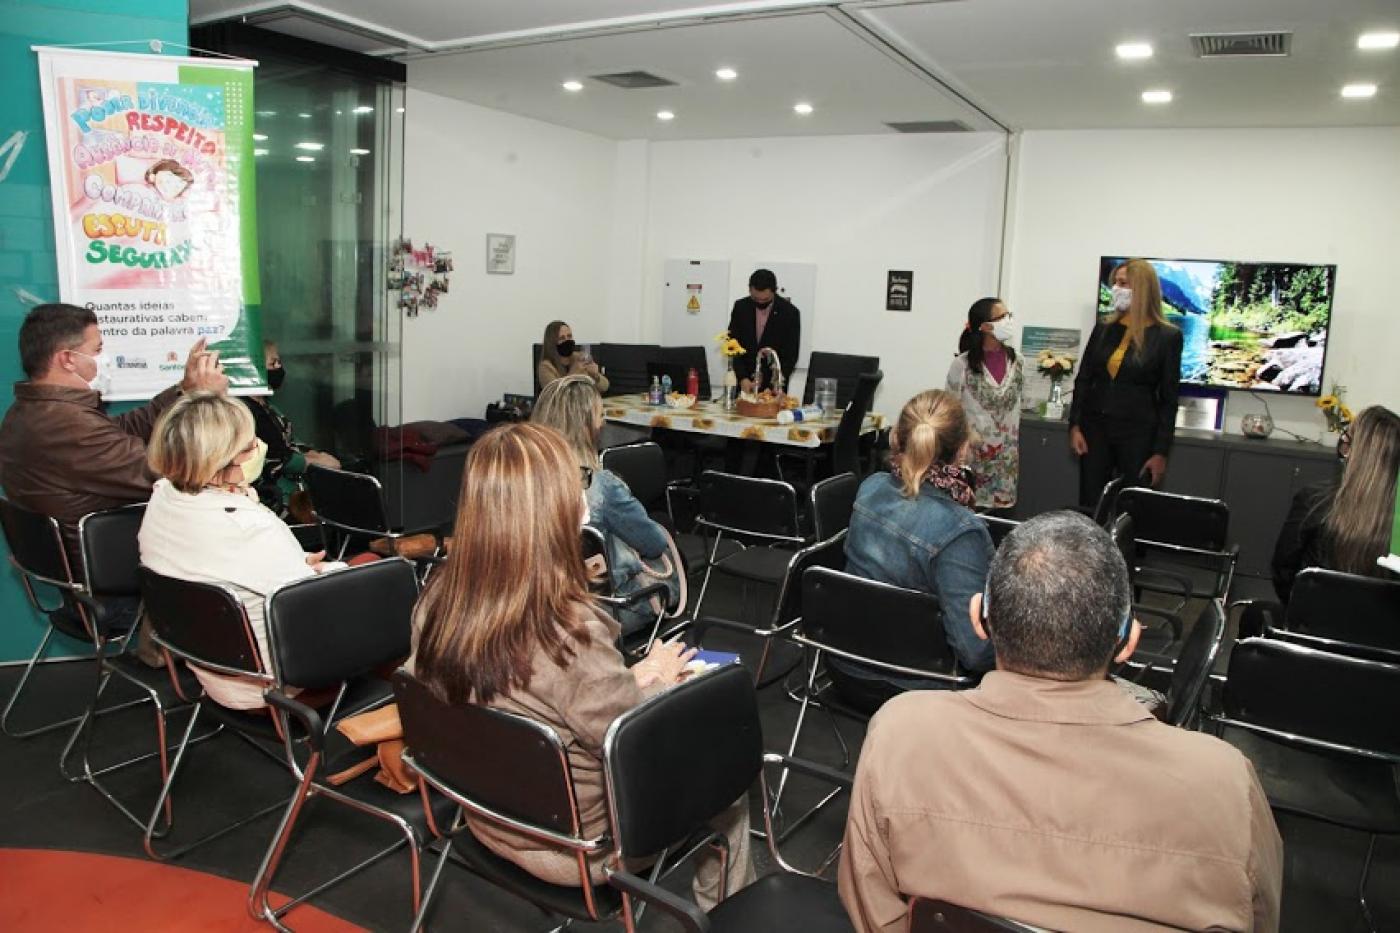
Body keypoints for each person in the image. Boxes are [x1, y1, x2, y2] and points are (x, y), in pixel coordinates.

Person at [839, 511, 1283, 932]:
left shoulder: (901, 735)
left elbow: (874, 912)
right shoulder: (1225, 786)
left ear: (979, 618)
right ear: (1128, 641)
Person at [409, 423, 752, 908]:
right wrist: (666, 687)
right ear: (552, 511)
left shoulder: (436, 600)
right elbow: (631, 743)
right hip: (580, 849)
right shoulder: (568, 632)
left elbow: (534, 700)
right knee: (729, 777)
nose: (584, 500)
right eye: (575, 488)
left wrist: (637, 676)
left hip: (481, 815)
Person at [138, 392, 340, 710]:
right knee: (392, 594)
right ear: (219, 463)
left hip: (211, 672)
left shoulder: (162, 499)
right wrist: (333, 571)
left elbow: (222, 564)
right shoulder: (248, 527)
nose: (259, 447)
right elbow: (307, 605)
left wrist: (296, 564)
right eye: (248, 446)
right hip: (278, 689)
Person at [0, 302, 228, 556]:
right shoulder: (66, 426)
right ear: (68, 359)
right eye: (97, 349)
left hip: (95, 551)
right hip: (116, 558)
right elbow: (170, 470)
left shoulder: (34, 412)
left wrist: (185, 391)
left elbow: (119, 432)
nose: (104, 358)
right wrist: (206, 402)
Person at [835, 390, 996, 708]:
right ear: (962, 450)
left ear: (897, 438)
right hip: (920, 693)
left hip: (844, 668)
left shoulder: (870, 489)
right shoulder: (961, 533)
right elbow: (975, 653)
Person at [531, 375, 681, 637]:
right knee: (666, 544)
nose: (604, 422)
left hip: (535, 614)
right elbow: (653, 544)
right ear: (586, 426)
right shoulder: (601, 486)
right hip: (601, 614)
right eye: (601, 415)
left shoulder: (516, 486)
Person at [1069, 259, 1183, 508]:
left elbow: (1169, 398)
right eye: (1115, 283)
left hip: (1138, 433)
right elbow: (1085, 378)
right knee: (1091, 502)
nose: (1116, 289)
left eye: (1124, 283)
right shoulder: (1103, 328)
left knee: (1133, 506)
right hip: (1095, 428)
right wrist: (1075, 425)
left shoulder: (1167, 336)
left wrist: (1160, 451)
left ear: (1142, 289)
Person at [1272, 404, 1400, 602]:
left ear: (1352, 452)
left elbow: (1283, 573)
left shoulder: (1313, 501)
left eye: (1346, 441)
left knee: (1252, 616)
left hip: (1310, 626)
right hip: (1382, 630)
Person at [241, 339, 339, 515]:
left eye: (279, 362)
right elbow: (279, 457)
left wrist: (316, 455)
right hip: (275, 497)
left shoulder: (266, 405)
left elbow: (289, 441)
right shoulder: (249, 412)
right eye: (273, 363)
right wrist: (316, 463)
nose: (279, 367)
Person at [946, 297, 1023, 510]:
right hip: (973, 459)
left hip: (1006, 461)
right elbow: (950, 411)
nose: (1008, 320)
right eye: (1002, 316)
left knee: (1000, 522)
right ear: (985, 326)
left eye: (1009, 315)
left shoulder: (1019, 362)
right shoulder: (961, 365)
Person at [727, 268, 800, 393]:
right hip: (745, 384)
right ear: (749, 289)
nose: (760, 302)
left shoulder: (790, 313)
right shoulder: (740, 307)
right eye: (756, 299)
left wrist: (775, 384)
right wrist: (742, 378)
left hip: (774, 388)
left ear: (774, 291)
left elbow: (791, 355)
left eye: (765, 300)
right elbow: (733, 345)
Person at [537, 320, 608, 394]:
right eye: (562, 338)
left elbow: (605, 387)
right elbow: (555, 395)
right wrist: (573, 374)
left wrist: (595, 376)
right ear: (552, 343)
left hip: (583, 403)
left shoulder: (579, 357)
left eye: (569, 336)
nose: (567, 340)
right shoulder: (546, 367)